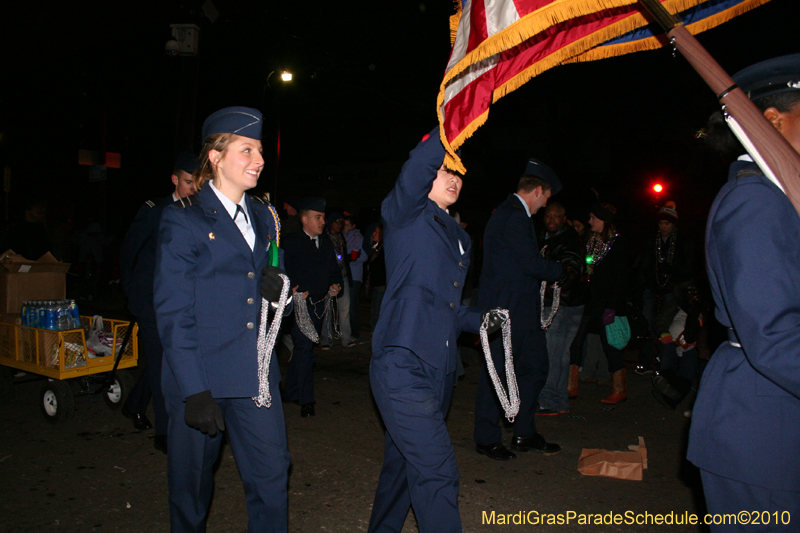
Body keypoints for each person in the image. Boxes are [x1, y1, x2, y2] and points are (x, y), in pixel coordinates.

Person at [154, 106, 291, 532]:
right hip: (203, 377)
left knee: (272, 477)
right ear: (215, 156)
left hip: (255, 374)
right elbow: (174, 312)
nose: (259, 159)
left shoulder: (265, 217)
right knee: (191, 491)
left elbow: (274, 290)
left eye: (261, 150)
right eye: (247, 149)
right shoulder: (185, 218)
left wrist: (279, 292)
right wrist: (194, 391)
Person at [368, 128, 501, 533]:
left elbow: (447, 306)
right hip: (401, 362)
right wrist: (449, 129)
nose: (453, 177)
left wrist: (480, 319)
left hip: (440, 369)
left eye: (458, 172)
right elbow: (416, 168)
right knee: (437, 469)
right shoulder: (405, 213)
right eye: (445, 170)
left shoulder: (460, 237)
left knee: (403, 464)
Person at [687, 54, 800, 527]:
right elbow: (774, 334)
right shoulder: (756, 202)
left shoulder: (777, 198)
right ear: (771, 120)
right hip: (760, 433)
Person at [473, 159, 563, 460]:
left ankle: (524, 432)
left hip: (522, 313)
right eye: (547, 197)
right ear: (538, 191)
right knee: (496, 374)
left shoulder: (514, 215)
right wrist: (561, 269)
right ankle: (487, 438)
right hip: (505, 313)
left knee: (535, 368)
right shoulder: (513, 216)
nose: (546, 204)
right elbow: (531, 264)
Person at [119, 151, 198, 454]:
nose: (194, 188)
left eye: (199, 183)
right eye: (189, 182)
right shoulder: (156, 210)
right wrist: (131, 295)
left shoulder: (198, 212)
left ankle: (135, 403)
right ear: (175, 179)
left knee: (167, 361)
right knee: (160, 360)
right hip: (150, 300)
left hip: (181, 300)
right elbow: (130, 251)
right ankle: (165, 432)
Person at [282, 197, 343, 417]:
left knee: (302, 350)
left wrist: (336, 285)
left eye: (324, 217)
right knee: (306, 350)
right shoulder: (289, 242)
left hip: (318, 307)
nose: (323, 222)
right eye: (318, 217)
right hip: (298, 307)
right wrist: (290, 290)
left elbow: (334, 272)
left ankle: (289, 391)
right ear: (305, 219)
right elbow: (279, 272)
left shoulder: (326, 243)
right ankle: (307, 400)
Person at [568, 202, 629, 404]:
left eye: (594, 218)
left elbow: (620, 279)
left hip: (606, 304)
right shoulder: (590, 240)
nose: (590, 221)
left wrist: (612, 306)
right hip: (588, 301)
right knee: (575, 341)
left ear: (605, 221)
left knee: (610, 344)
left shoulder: (617, 244)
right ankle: (571, 385)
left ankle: (620, 388)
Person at [537, 201, 587, 415]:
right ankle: (558, 401)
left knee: (553, 353)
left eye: (556, 216)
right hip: (568, 303)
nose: (551, 220)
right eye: (548, 215)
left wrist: (552, 284)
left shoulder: (567, 240)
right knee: (561, 353)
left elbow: (571, 269)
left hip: (561, 305)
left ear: (564, 218)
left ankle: (549, 401)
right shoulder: (547, 236)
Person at [635, 201, 694, 375]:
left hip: (672, 289)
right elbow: (644, 264)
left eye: (666, 223)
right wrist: (641, 284)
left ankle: (665, 363)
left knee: (666, 324)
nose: (663, 227)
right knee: (646, 321)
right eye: (660, 223)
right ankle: (645, 361)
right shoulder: (652, 240)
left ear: (673, 224)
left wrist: (673, 271)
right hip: (651, 287)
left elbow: (690, 267)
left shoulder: (682, 241)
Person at [343, 215, 367, 339]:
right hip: (344, 273)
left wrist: (354, 258)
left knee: (352, 304)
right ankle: (346, 331)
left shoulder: (359, 238)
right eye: (344, 224)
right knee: (345, 305)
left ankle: (355, 332)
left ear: (353, 226)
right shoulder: (341, 237)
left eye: (347, 225)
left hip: (355, 275)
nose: (345, 227)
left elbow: (365, 256)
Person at [364, 222, 386, 331]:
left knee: (377, 311)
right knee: (374, 310)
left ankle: (377, 335)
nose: (373, 234)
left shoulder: (383, 249)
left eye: (376, 232)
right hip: (376, 284)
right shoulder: (376, 248)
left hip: (381, 285)